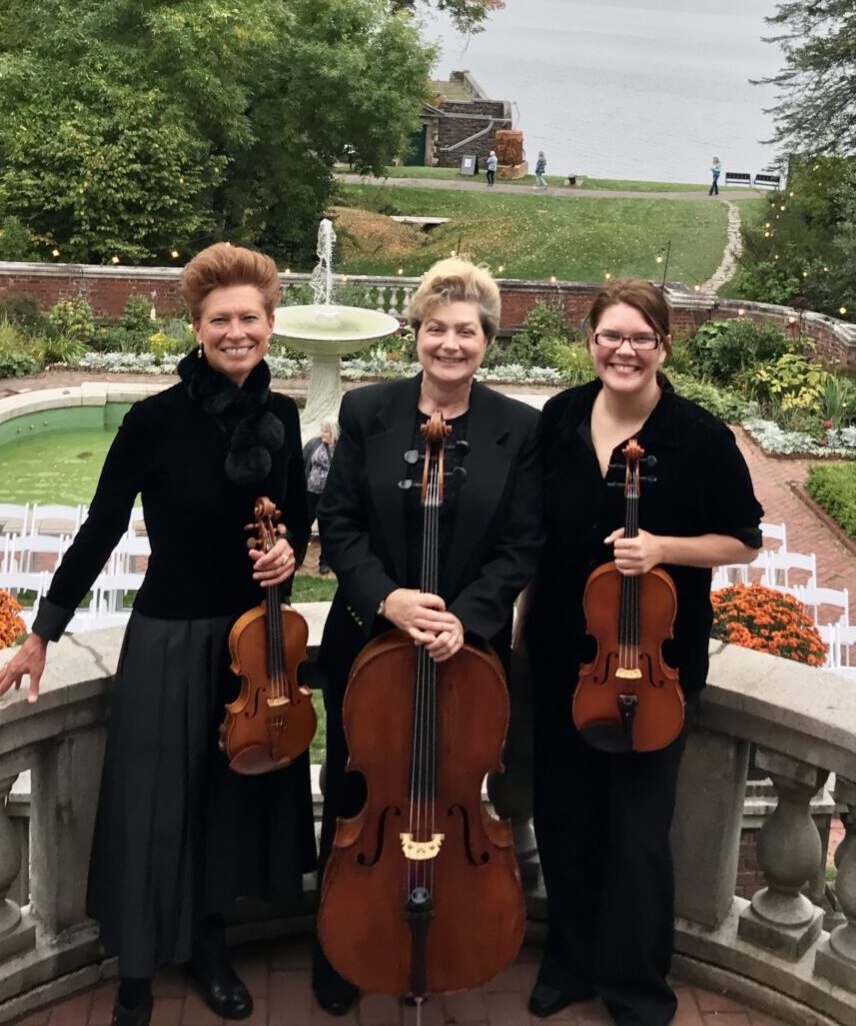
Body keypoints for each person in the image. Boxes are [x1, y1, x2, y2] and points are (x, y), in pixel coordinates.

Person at [0, 244, 315, 1026]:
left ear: (270, 325)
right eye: (220, 320)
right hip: (172, 633)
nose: (235, 332)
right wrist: (44, 631)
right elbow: (101, 530)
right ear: (198, 327)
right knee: (152, 801)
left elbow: (299, 518)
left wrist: (289, 550)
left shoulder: (281, 415)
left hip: (253, 640)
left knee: (225, 800)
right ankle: (136, 965)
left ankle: (209, 947)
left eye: (249, 318)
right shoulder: (154, 420)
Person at [523, 279, 763, 1026]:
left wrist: (663, 548)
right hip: (562, 656)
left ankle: (635, 986)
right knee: (562, 818)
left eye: (639, 337)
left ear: (663, 345)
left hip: (654, 668)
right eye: (609, 336)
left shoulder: (698, 437)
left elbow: (743, 541)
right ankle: (568, 963)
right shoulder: (560, 418)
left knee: (635, 835)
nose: (623, 350)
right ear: (590, 341)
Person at [312, 257, 544, 1015]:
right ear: (416, 333)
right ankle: (339, 945)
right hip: (367, 640)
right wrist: (388, 600)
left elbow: (521, 545)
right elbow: (338, 526)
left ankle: (447, 932)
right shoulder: (365, 412)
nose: (450, 344)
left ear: (486, 340)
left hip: (464, 653)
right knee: (353, 785)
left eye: (466, 332)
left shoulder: (519, 430)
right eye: (436, 329)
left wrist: (464, 620)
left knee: (451, 788)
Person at [304, 419, 336, 575]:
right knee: (304, 525)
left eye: (325, 431)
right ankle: (298, 557)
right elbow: (304, 462)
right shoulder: (314, 444)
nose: (322, 433)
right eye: (321, 430)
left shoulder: (341, 448)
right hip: (311, 492)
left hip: (328, 495)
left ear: (333, 432)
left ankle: (324, 562)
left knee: (326, 529)